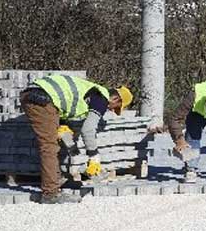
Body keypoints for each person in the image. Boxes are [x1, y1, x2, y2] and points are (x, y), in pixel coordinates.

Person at [20, 74, 133, 204]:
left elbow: (63, 107)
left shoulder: (91, 92)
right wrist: (93, 156)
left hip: (38, 95)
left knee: (50, 142)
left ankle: (56, 179)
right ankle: (50, 193)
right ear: (115, 98)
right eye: (116, 107)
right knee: (49, 146)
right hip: (41, 98)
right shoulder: (102, 99)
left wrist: (66, 135)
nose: (112, 110)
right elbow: (88, 129)